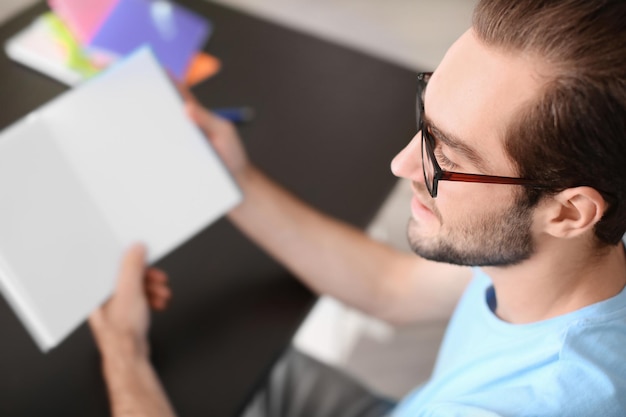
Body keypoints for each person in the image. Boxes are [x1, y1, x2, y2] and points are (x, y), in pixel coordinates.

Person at [88, 0, 626, 415]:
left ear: (569, 213)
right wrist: (238, 182)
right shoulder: (577, 259)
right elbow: (394, 287)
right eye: (426, 123)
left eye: (447, 156)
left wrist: (122, 352)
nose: (401, 165)